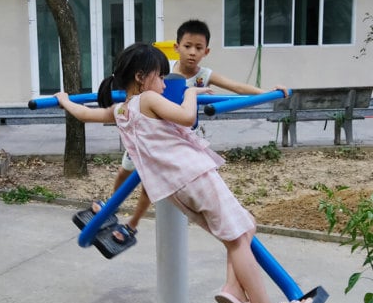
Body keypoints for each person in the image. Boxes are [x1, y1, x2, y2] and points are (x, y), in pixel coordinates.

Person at [55, 42, 311, 303]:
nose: (165, 84)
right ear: (141, 77)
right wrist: (190, 92)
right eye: (161, 76)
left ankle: (234, 290)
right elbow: (187, 117)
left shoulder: (120, 111)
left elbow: (84, 115)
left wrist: (64, 100)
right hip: (196, 177)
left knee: (243, 228)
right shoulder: (148, 99)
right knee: (240, 240)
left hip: (176, 191)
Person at [98, 19, 288, 246]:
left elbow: (237, 88)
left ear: (206, 51)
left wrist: (267, 93)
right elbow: (133, 86)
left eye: (198, 48)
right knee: (124, 172)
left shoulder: (203, 75)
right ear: (177, 47)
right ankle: (111, 207)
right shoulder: (162, 69)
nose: (192, 53)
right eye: (187, 46)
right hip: (148, 137)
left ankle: (132, 225)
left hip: (174, 143)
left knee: (152, 188)